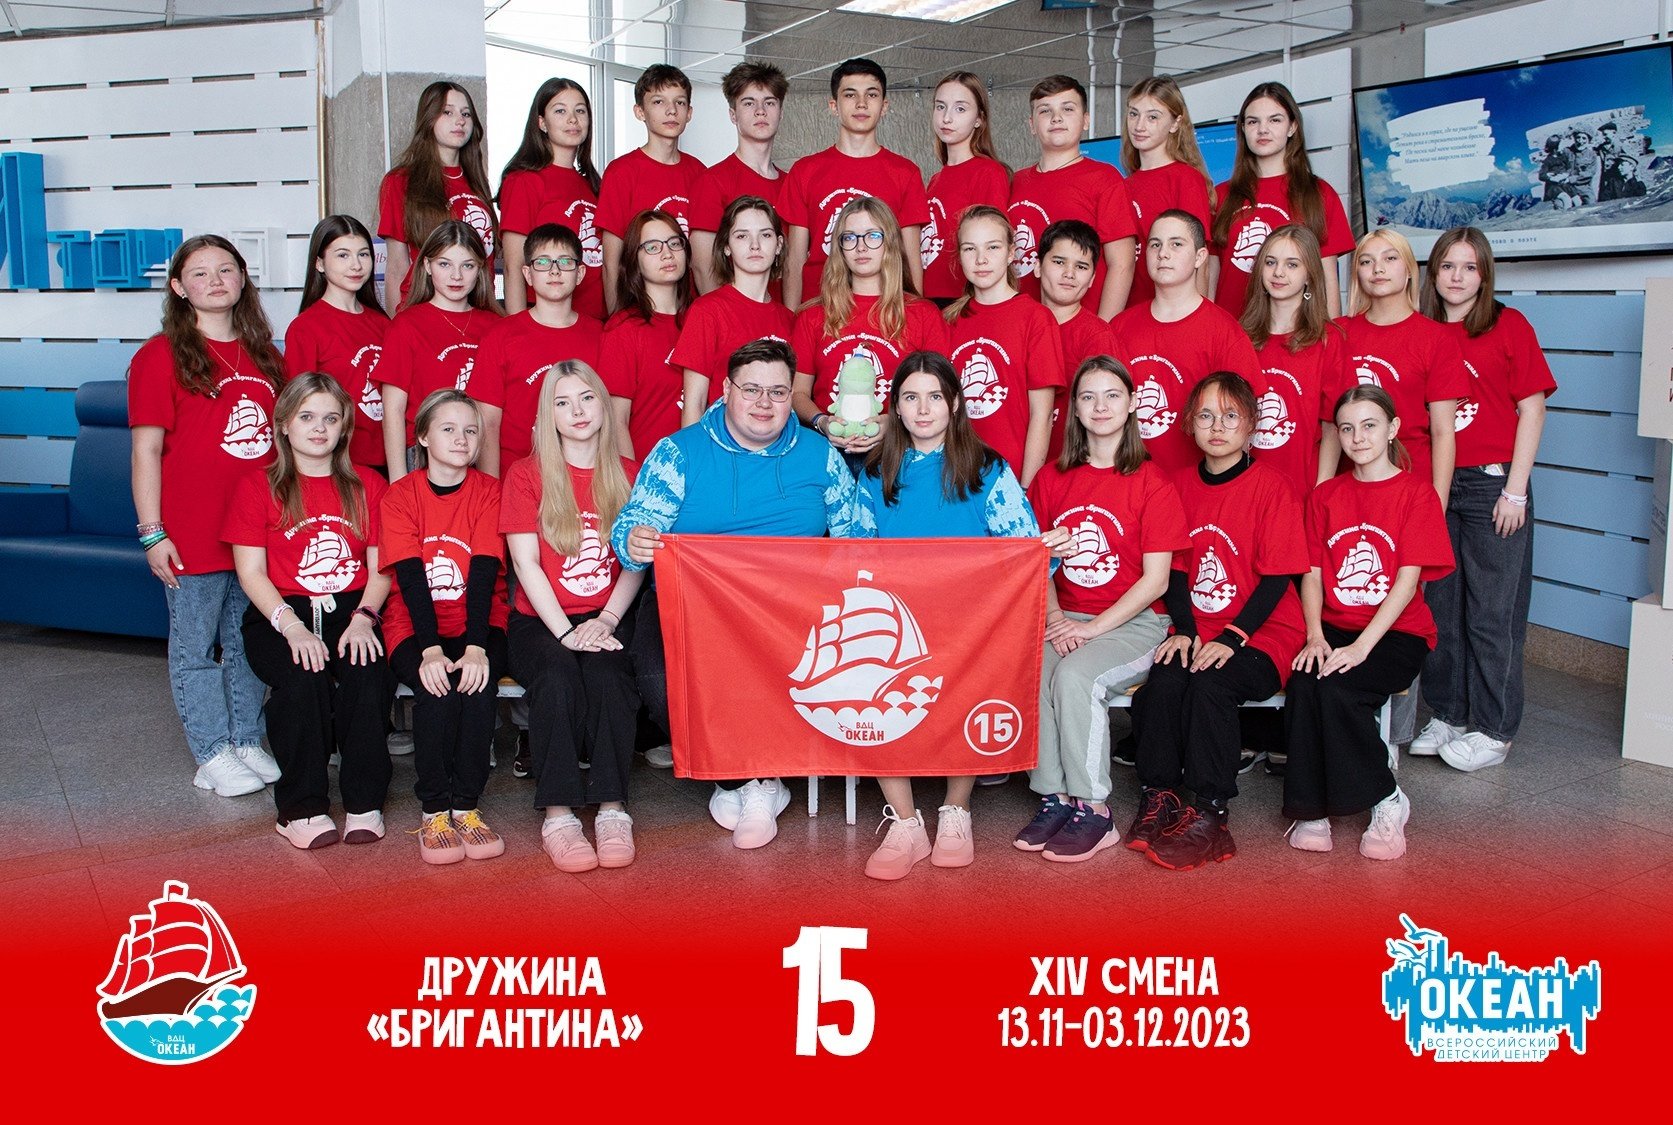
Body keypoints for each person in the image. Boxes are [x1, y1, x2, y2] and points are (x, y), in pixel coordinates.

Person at [611, 339, 869, 850]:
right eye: (751, 390)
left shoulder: (821, 456)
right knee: (659, 685)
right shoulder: (678, 452)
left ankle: (754, 783)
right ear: (726, 390)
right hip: (691, 604)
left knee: (786, 676)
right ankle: (749, 783)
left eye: (778, 392)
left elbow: (857, 539)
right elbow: (630, 530)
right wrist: (634, 540)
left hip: (789, 611)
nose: (764, 403)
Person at [854, 351, 1045, 879]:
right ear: (894, 407)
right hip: (898, 622)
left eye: (935, 397)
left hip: (969, 622)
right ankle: (905, 822)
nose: (923, 409)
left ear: (955, 403)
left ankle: (956, 810)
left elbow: (1023, 547)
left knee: (974, 680)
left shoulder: (987, 469)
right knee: (869, 681)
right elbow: (855, 553)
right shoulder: (875, 472)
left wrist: (1046, 551)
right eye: (910, 397)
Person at [1129, 372, 1307, 870]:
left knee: (1210, 685)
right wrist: (1185, 630)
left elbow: (1277, 578)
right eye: (1206, 415)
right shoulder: (1177, 486)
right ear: (1190, 423)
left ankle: (1211, 814)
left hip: (1265, 631)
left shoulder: (1274, 488)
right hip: (1199, 625)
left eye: (1230, 416)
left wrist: (1233, 637)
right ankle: (1160, 796)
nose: (1217, 427)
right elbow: (1175, 570)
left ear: (1251, 424)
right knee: (1165, 680)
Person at [129, 235, 285, 798]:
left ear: (243, 279)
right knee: (195, 648)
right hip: (191, 531)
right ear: (178, 287)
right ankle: (211, 751)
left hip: (255, 532)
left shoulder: (266, 355)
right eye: (200, 273)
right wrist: (153, 533)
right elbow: (146, 450)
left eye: (226, 270)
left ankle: (245, 738)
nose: (215, 281)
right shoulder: (159, 355)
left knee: (247, 643)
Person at [1019, 356, 1185, 862]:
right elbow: (1038, 563)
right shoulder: (1051, 479)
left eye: (1112, 395)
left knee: (1076, 677)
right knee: (1034, 670)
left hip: (1135, 624)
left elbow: (1156, 581)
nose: (1100, 406)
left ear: (1132, 404)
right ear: (1074, 409)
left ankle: (1094, 809)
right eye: (1088, 397)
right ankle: (1055, 797)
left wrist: (1090, 632)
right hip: (1065, 616)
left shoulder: (1152, 481)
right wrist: (1056, 620)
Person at [1285, 385, 1453, 860]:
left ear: (1393, 428)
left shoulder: (1416, 493)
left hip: (1397, 632)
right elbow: (1312, 573)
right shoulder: (1326, 495)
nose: (1358, 437)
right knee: (1304, 682)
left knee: (1338, 689)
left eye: (1369, 425)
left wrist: (1362, 647)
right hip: (1333, 625)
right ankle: (1312, 809)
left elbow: (1406, 582)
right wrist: (1315, 635)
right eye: (1347, 428)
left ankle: (1386, 798)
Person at [227, 373, 393, 849]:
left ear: (344, 427)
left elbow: (381, 567)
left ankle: (364, 801)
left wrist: (364, 618)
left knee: (367, 675)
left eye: (331, 418)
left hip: (355, 606)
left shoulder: (369, 485)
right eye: (306, 417)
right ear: (283, 424)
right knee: (303, 680)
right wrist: (293, 628)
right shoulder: (257, 486)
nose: (319, 428)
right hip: (280, 612)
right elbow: (251, 572)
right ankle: (300, 808)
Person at [1411, 227, 1555, 773]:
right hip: (1436, 483)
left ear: (1485, 274)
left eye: (1469, 267)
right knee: (1441, 610)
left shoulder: (1509, 325)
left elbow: (1533, 409)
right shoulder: (1423, 331)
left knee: (1493, 614)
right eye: (1447, 266)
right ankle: (1449, 713)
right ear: (1432, 273)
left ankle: (1494, 729)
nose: (1457, 277)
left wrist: (1515, 490)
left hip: (1493, 484)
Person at [502, 361, 645, 872]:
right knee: (558, 677)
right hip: (540, 620)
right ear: (549, 415)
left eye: (586, 398)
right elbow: (525, 564)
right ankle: (559, 815)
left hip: (608, 613)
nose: (578, 411)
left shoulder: (631, 473)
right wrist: (566, 633)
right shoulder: (526, 475)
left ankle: (611, 808)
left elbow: (636, 562)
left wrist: (605, 621)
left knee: (610, 677)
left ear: (604, 405)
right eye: (563, 402)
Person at [380, 389, 510, 864]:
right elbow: (411, 579)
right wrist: (430, 650)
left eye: (470, 430)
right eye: (449, 429)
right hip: (414, 625)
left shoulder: (489, 491)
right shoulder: (400, 496)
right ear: (422, 437)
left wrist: (476, 647)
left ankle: (466, 806)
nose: (461, 439)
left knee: (476, 687)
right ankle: (435, 809)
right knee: (435, 691)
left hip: (479, 621)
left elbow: (483, 575)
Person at [791, 197, 947, 459]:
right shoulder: (812, 315)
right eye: (850, 237)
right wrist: (822, 421)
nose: (861, 246)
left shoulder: (923, 314)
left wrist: (892, 422)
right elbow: (797, 393)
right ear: (840, 248)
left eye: (873, 236)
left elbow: (940, 392)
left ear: (890, 243)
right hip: (829, 453)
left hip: (898, 453)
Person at [1111, 210, 1263, 477]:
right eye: (1155, 244)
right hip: (1130, 481)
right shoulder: (1119, 327)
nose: (1163, 253)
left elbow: (1242, 421)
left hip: (1198, 486)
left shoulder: (1224, 331)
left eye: (1176, 244)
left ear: (1200, 257)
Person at [1327, 229, 1468, 505]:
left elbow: (1443, 432)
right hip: (1349, 485)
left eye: (1390, 258)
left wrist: (1437, 504)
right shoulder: (1337, 333)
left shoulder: (1436, 339)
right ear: (1357, 274)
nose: (1377, 268)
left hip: (1411, 483)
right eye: (1366, 261)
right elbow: (1329, 424)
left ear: (1410, 270)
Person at [779, 57, 930, 308]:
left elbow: (911, 260)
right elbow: (794, 260)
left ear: (884, 106)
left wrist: (916, 318)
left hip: (882, 311)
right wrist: (792, 318)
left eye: (872, 95)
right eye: (850, 95)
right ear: (834, 106)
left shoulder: (905, 173)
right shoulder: (805, 171)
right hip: (819, 308)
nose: (861, 103)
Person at [943, 205, 1065, 487]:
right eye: (970, 249)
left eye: (993, 247)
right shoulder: (948, 320)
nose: (981, 259)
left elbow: (1042, 415)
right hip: (955, 474)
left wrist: (1026, 488)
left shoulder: (1035, 318)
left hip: (1011, 476)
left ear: (1011, 253)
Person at [1210, 82, 1352, 318]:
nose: (1262, 129)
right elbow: (1210, 277)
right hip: (1230, 330)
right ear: (1243, 129)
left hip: (1296, 333)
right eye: (1253, 122)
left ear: (1292, 127)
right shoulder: (1221, 195)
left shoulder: (1319, 193)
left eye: (1274, 120)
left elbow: (1328, 281)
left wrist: (1332, 334)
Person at [473, 222, 601, 476]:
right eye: (542, 262)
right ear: (528, 274)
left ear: (580, 273)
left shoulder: (601, 335)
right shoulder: (500, 336)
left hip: (585, 479)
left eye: (565, 262)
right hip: (517, 478)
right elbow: (488, 423)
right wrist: (492, 489)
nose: (554, 271)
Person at [377, 220, 500, 480]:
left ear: (480, 269)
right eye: (445, 264)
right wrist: (398, 481)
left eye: (467, 265)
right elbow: (393, 411)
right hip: (425, 454)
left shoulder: (497, 325)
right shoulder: (406, 325)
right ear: (427, 266)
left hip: (482, 451)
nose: (456, 276)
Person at [1007, 74, 1137, 318]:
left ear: (1085, 120)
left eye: (1067, 109)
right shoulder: (1015, 181)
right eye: (1045, 111)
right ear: (1032, 125)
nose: (1056, 117)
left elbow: (1122, 264)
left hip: (1080, 325)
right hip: (1022, 323)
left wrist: (1103, 329)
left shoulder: (1104, 178)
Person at [1239, 224, 1347, 498]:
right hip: (1246, 487)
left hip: (1305, 487)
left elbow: (1333, 423)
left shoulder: (1328, 339)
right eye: (1270, 262)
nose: (1278, 272)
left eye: (1292, 264)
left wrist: (1322, 486)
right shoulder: (1239, 336)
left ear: (1309, 274)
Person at [674, 195, 793, 425]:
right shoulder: (707, 311)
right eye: (742, 236)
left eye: (765, 235)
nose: (755, 245)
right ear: (727, 247)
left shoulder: (788, 318)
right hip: (720, 442)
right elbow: (694, 403)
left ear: (778, 245)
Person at [285, 215, 390, 474]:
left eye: (363, 254)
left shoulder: (383, 324)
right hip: (338, 462)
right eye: (343, 255)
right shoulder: (306, 327)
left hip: (388, 457)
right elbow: (299, 406)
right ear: (319, 263)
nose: (356, 265)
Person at [595, 64, 705, 313]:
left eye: (679, 102)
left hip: (690, 312)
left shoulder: (700, 173)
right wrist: (617, 321)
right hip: (639, 312)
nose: (671, 110)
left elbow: (705, 258)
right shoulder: (621, 172)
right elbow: (611, 262)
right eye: (658, 102)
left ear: (689, 112)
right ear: (639, 111)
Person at [377, 81, 497, 307]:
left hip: (479, 310)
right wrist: (397, 324)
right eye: (447, 112)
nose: (460, 120)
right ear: (429, 118)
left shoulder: (477, 182)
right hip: (423, 311)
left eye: (466, 114)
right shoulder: (400, 181)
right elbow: (396, 267)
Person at [497, 78, 605, 320]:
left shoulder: (592, 185)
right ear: (542, 122)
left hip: (594, 322)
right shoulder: (524, 181)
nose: (573, 119)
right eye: (560, 111)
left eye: (580, 111)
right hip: (547, 322)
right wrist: (518, 331)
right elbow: (514, 267)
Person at [601, 209, 696, 460]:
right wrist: (635, 480)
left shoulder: (704, 318)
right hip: (647, 469)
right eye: (652, 247)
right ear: (634, 260)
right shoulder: (622, 329)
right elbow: (616, 421)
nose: (667, 253)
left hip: (701, 469)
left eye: (674, 243)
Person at [689, 62, 788, 293]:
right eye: (749, 103)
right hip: (733, 313)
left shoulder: (792, 183)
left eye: (769, 102)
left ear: (781, 112)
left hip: (782, 311)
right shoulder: (712, 182)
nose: (760, 111)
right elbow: (704, 268)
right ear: (733, 115)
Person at [1120, 76, 1215, 308]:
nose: (1139, 126)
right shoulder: (1123, 185)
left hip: (1171, 312)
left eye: (1152, 117)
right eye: (1133, 114)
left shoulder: (1186, 179)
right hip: (1131, 313)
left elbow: (1200, 262)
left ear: (1175, 123)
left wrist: (1196, 319)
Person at [922, 70, 1009, 305]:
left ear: (979, 119)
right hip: (928, 296)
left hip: (962, 298)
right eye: (940, 107)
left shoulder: (988, 172)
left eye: (960, 109)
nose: (946, 118)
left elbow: (993, 244)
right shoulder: (936, 179)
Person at [1035, 219, 1120, 460]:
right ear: (1037, 266)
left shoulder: (1097, 337)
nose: (1069, 274)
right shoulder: (1020, 322)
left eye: (1081, 267)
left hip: (1071, 462)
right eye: (1059, 262)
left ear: (1092, 279)